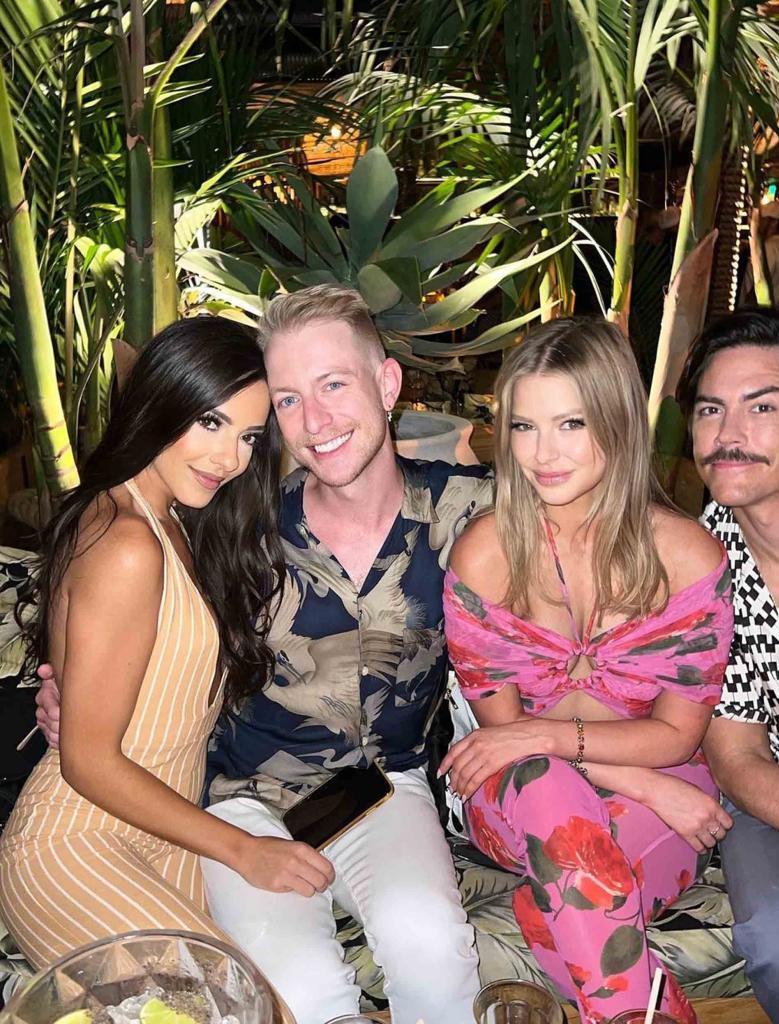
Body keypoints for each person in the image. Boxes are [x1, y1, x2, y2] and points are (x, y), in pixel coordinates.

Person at [35, 287, 490, 1024]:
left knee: (434, 949)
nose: (315, 422)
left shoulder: (471, 511)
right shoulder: (233, 521)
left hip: (384, 788)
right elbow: (111, 585)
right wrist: (65, 686)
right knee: (298, 996)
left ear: (388, 384)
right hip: (243, 799)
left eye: (334, 385)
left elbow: (612, 516)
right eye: (286, 401)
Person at [440, 318, 734, 1024]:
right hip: (517, 797)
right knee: (546, 789)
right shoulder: (484, 555)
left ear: (617, 421)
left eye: (571, 423)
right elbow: (505, 741)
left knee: (565, 903)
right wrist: (637, 782)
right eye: (524, 427)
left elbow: (675, 736)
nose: (544, 454)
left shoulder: (689, 558)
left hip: (664, 781)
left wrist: (631, 774)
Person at [0, 318, 305, 969]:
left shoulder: (167, 518)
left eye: (250, 435)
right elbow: (87, 759)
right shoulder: (129, 542)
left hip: (160, 840)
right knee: (238, 1010)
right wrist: (241, 848)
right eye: (211, 423)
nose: (231, 459)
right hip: (78, 844)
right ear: (161, 403)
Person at [677, 309, 779, 1024]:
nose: (730, 435)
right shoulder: (704, 563)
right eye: (712, 410)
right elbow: (735, 755)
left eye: (763, 406)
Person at [741, 199, 779, 314]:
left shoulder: (771, 248)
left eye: (762, 220)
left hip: (759, 316)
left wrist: (744, 312)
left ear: (774, 222)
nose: (758, 224)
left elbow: (759, 284)